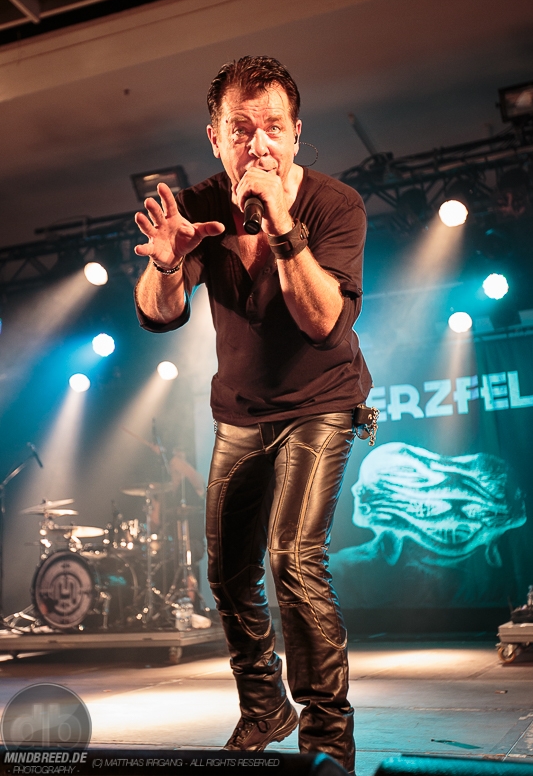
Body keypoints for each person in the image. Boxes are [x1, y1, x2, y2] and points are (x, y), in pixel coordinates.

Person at [133, 56, 371, 773]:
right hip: (240, 411)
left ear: (295, 133)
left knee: (292, 557)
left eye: (272, 127)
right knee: (229, 572)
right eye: (240, 129)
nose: (257, 144)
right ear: (215, 137)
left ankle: (327, 735)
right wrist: (167, 265)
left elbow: (324, 322)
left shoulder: (335, 206)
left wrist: (281, 225)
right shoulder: (198, 204)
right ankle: (264, 707)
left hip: (321, 401)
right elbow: (158, 314)